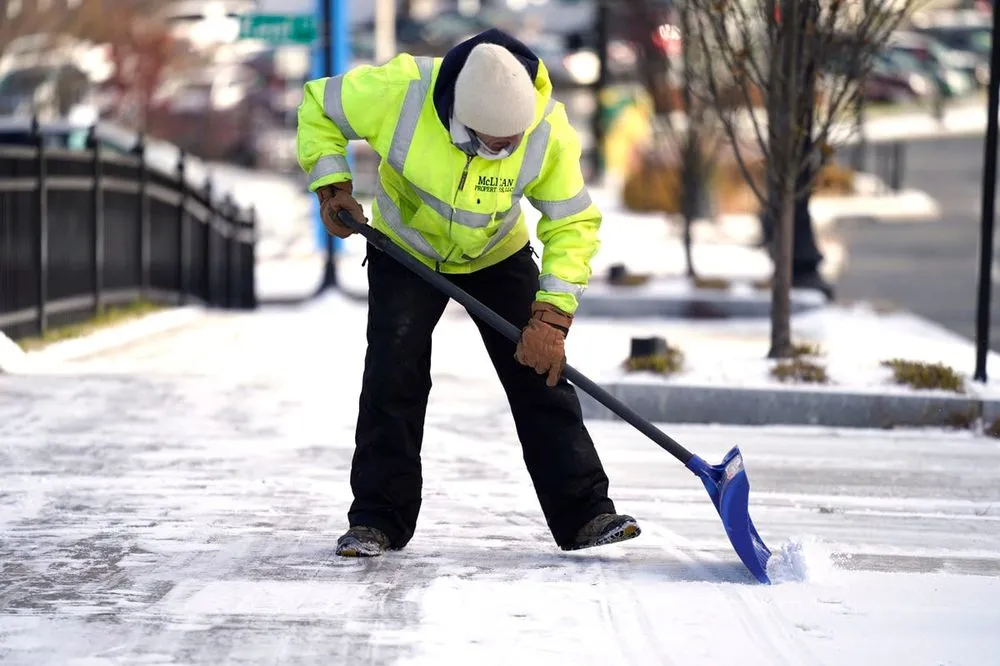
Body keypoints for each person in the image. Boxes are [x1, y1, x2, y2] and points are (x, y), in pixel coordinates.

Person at [296, 28, 640, 557]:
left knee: (539, 376)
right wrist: (333, 185)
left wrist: (552, 317)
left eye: (512, 142)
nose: (505, 150)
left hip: (496, 252)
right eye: (493, 141)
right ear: (460, 115)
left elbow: (572, 222)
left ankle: (587, 515)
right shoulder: (403, 90)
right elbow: (320, 103)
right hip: (405, 247)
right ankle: (377, 522)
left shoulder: (548, 128)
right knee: (394, 377)